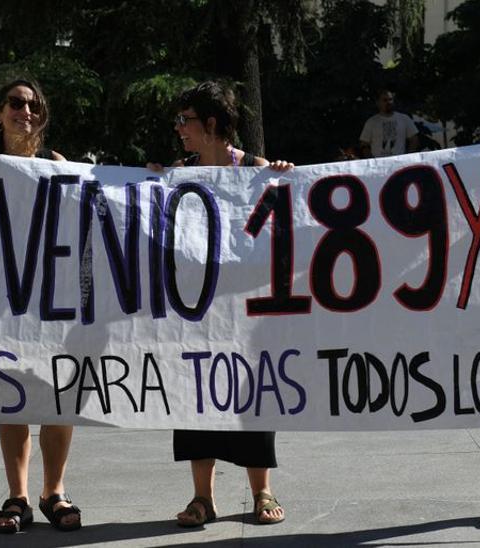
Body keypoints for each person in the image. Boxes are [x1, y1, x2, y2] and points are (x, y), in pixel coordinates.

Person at [164, 81, 293, 528]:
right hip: (198, 309)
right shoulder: (179, 175)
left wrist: (284, 177)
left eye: (186, 120)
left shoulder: (258, 171)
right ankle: (203, 497)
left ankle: (262, 490)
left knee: (254, 397)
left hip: (249, 310)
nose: (179, 129)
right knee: (197, 396)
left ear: (212, 124)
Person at [0, 79, 78, 535]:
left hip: (53, 297)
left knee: (58, 396)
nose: (25, 111)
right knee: (11, 395)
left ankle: (53, 491)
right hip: (1, 298)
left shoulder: (57, 167)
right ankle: (17, 495)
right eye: (16, 103)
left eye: (34, 105)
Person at [358, 89, 418, 158]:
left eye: (390, 99)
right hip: (378, 163)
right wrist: (371, 160)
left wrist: (408, 157)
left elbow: (414, 139)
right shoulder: (371, 122)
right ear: (378, 103)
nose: (388, 102)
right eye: (385, 100)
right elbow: (364, 144)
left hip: (400, 162)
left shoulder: (404, 119)